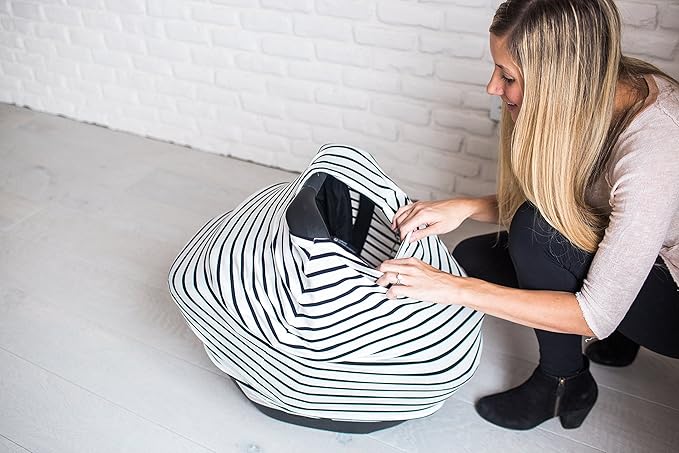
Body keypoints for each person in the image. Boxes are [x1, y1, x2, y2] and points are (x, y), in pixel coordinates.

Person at [376, 0, 679, 431]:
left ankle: (563, 383)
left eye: (508, 76)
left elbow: (593, 316)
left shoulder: (653, 150)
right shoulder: (600, 90)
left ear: (560, 77)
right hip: (646, 254)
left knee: (534, 233)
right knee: (477, 255)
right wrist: (467, 206)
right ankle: (621, 342)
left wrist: (450, 289)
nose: (492, 87)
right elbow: (569, 198)